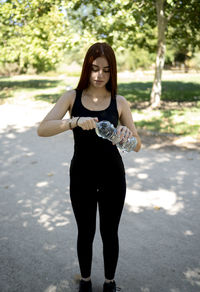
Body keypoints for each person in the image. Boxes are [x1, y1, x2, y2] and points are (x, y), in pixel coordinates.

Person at [37, 42, 141, 292]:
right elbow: (43, 129)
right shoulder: (72, 97)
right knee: (85, 231)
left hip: (113, 176)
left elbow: (136, 145)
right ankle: (85, 282)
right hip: (81, 175)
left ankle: (109, 282)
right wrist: (73, 121)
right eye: (94, 69)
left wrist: (125, 135)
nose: (99, 75)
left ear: (112, 72)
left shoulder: (120, 102)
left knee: (109, 232)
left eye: (106, 70)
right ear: (87, 68)